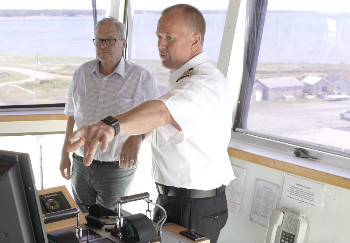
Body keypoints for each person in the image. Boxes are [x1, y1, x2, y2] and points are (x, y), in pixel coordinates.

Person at [66, 4, 235, 242]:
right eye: (158, 36)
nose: (160, 44)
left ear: (195, 41)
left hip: (194, 205)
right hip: (172, 198)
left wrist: (111, 126)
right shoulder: (182, 78)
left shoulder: (203, 83)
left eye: (169, 37)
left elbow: (160, 111)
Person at [59, 17, 160, 213]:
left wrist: (137, 137)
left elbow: (156, 119)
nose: (103, 45)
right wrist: (65, 154)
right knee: (81, 219)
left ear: (123, 43)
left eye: (110, 40)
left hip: (116, 169)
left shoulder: (142, 77)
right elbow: (72, 116)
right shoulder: (81, 73)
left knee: (109, 225)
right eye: (99, 40)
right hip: (81, 164)